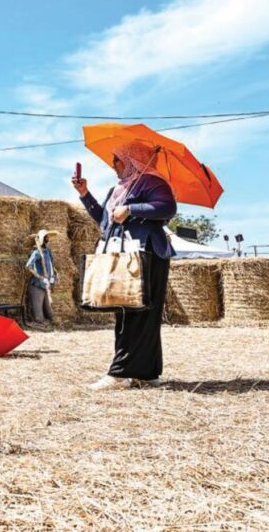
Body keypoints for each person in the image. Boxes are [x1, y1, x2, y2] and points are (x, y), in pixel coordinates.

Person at [73, 141, 177, 391]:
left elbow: (168, 207)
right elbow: (104, 219)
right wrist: (85, 194)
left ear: (133, 160)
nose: (113, 165)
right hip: (125, 252)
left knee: (139, 313)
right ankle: (147, 373)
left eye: (117, 160)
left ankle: (120, 374)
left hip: (147, 253)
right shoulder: (117, 189)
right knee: (128, 310)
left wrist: (130, 209)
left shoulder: (152, 181)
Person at [25, 229, 59, 329]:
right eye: (46, 237)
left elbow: (51, 265)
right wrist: (40, 277)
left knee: (49, 312)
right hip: (37, 285)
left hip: (46, 285)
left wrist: (55, 274)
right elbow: (28, 266)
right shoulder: (36, 253)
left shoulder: (47, 252)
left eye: (48, 237)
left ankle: (50, 324)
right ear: (42, 239)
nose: (48, 239)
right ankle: (39, 323)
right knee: (39, 315)